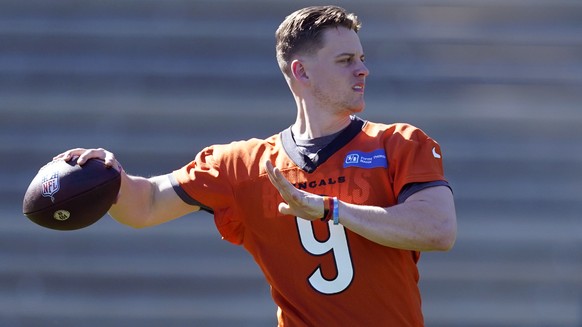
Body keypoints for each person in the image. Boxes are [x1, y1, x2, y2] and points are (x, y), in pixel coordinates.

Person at [54, 5, 456, 326]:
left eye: (362, 58)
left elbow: (439, 230)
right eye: (346, 60)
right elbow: (145, 206)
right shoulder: (241, 164)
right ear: (301, 71)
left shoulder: (399, 143)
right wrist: (108, 176)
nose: (363, 69)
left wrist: (331, 210)